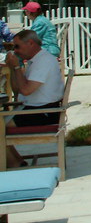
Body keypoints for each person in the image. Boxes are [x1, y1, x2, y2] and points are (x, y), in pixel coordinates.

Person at [4, 29, 64, 167]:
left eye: (17, 46)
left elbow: (25, 90)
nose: (16, 50)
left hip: (44, 112)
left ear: (30, 43)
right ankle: (17, 163)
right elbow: (17, 89)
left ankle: (13, 165)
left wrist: (18, 67)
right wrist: (13, 69)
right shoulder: (35, 61)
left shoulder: (44, 61)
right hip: (36, 108)